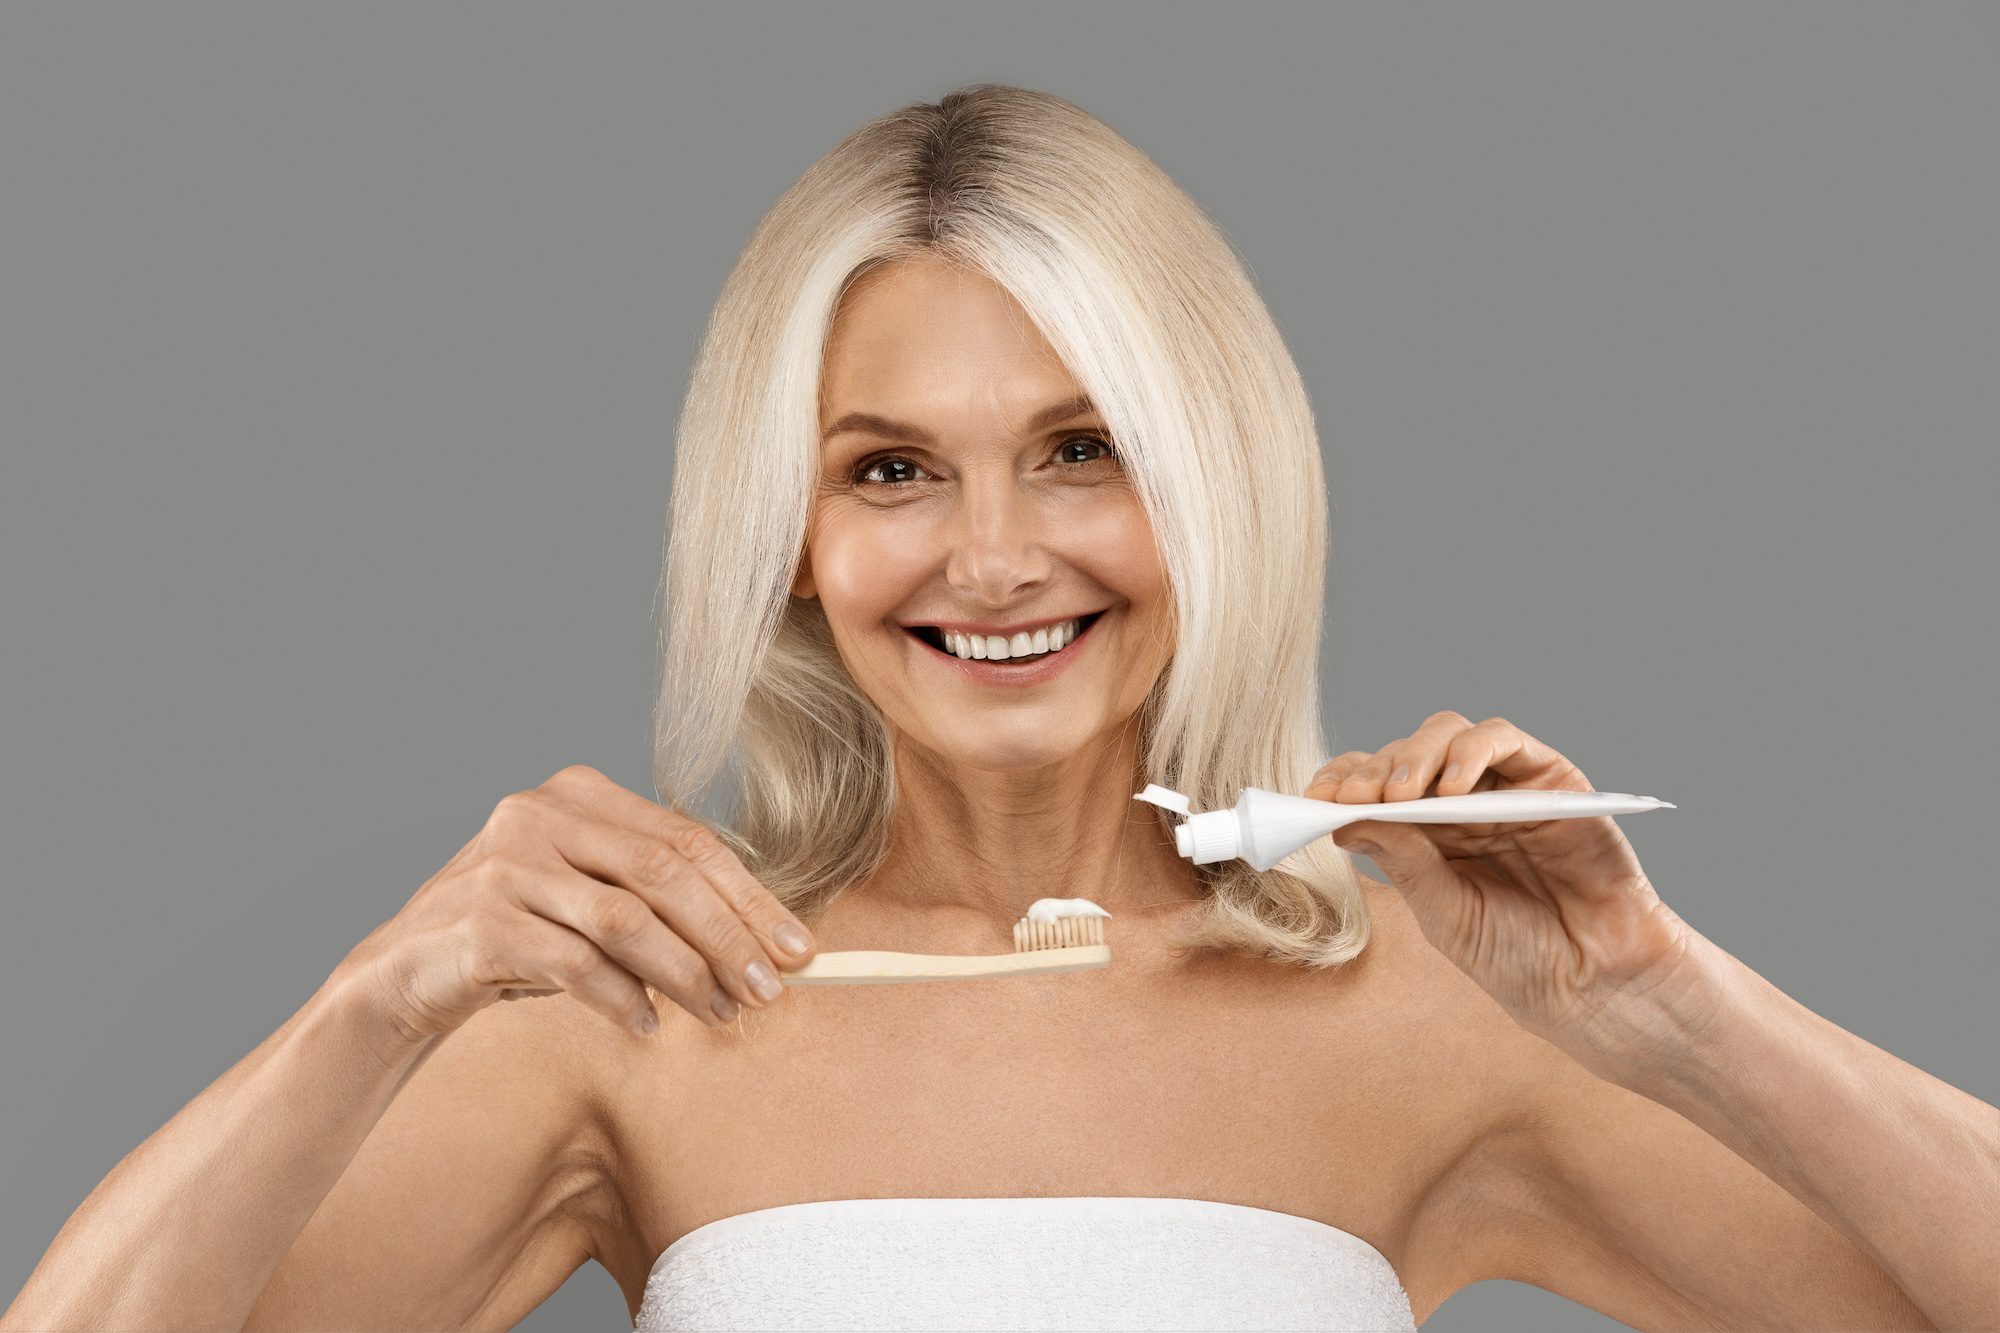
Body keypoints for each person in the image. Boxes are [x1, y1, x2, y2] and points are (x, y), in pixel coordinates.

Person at [8, 83, 1992, 1333]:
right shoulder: (643, 1014)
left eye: (1079, 450)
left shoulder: (1430, 1006)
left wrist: (1665, 1007)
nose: (991, 556)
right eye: (888, 469)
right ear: (786, 534)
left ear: (1213, 478)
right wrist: (371, 1003)